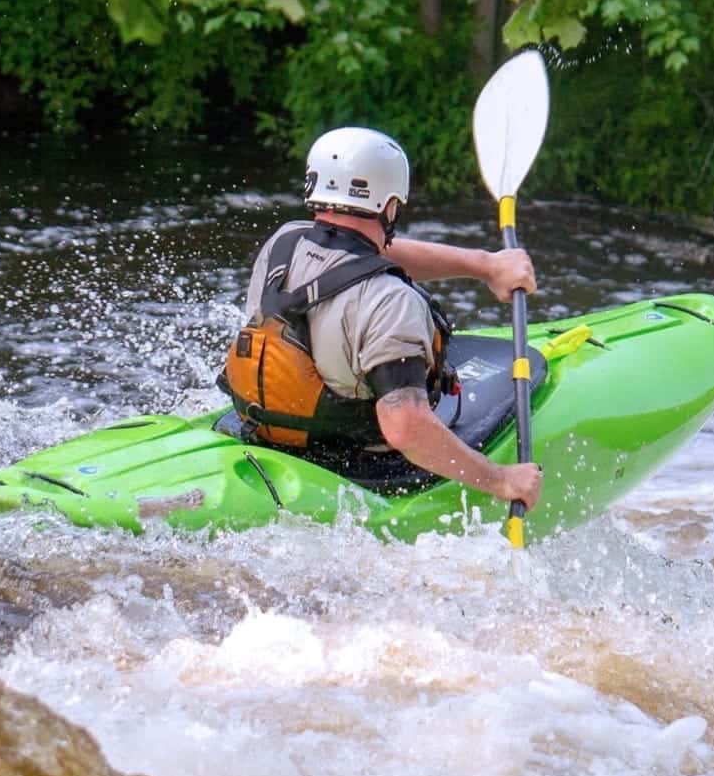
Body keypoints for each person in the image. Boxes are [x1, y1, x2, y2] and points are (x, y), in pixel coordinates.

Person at [221, 126, 544, 509]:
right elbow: (405, 427)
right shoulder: (393, 302)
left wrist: (485, 265)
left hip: (270, 431)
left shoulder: (285, 243)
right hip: (357, 463)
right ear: (389, 205)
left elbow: (363, 257)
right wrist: (502, 480)